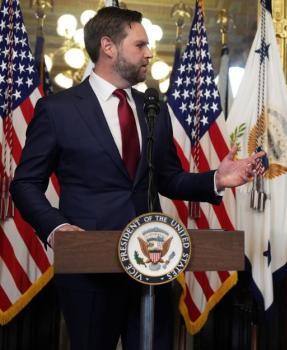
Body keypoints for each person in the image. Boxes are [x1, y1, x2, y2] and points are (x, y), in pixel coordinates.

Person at [10, 7, 264, 350]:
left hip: (153, 263)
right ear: (108, 47)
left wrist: (215, 179)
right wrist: (56, 229)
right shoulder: (59, 110)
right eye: (140, 45)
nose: (149, 53)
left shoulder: (151, 108)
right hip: (89, 271)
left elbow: (169, 179)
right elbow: (25, 183)